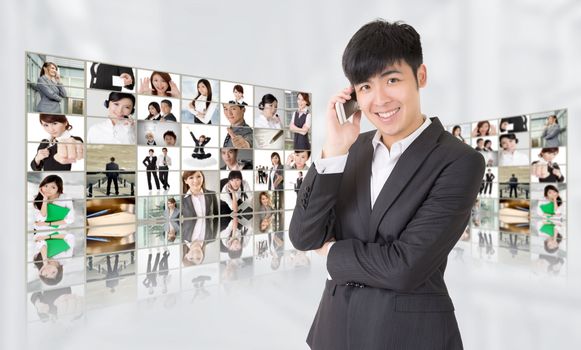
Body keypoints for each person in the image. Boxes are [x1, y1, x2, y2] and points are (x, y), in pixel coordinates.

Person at [289, 20, 484, 349]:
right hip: (333, 331)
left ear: (420, 77)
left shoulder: (459, 161)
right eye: (365, 87)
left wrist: (333, 251)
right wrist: (334, 151)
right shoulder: (351, 150)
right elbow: (304, 236)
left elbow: (404, 267)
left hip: (407, 336)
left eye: (392, 80)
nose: (379, 99)